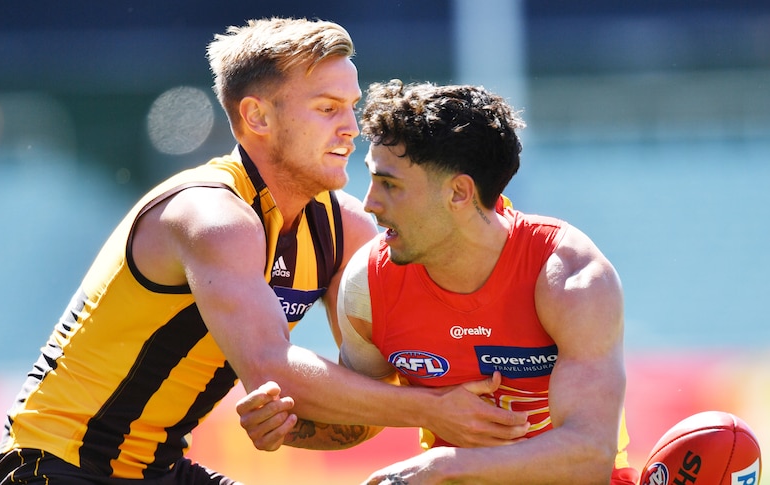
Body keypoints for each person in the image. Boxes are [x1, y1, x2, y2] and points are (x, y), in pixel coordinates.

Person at [0, 19, 527, 485]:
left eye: (352, 108)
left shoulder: (345, 229)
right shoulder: (212, 216)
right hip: (53, 464)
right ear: (258, 117)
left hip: (156, 467)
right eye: (326, 108)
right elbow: (277, 369)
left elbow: (360, 404)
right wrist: (439, 410)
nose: (351, 128)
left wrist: (295, 427)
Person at [239, 79, 641, 484]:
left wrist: (446, 468)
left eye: (390, 184)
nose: (368, 203)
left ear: (459, 192)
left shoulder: (569, 275)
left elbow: (590, 455)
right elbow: (361, 421)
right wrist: (292, 426)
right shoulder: (368, 284)